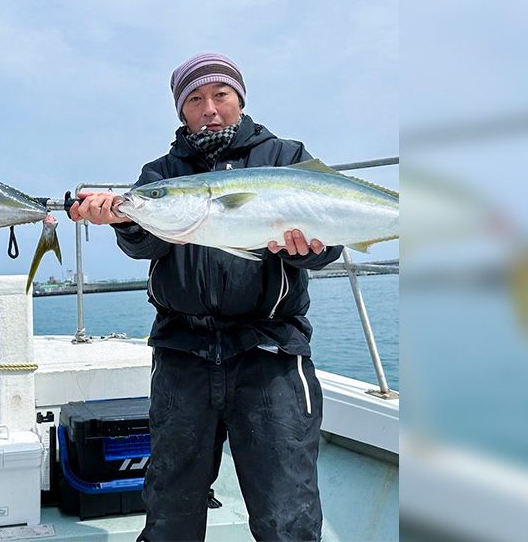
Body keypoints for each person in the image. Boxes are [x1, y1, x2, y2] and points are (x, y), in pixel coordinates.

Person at [69, 52, 342, 541]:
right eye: (195, 99)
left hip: (271, 349)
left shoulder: (284, 156)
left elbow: (329, 242)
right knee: (171, 502)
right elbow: (148, 242)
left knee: (287, 510)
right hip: (183, 352)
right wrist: (127, 222)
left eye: (220, 95)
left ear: (239, 99)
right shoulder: (161, 174)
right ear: (181, 111)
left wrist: (309, 252)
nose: (209, 108)